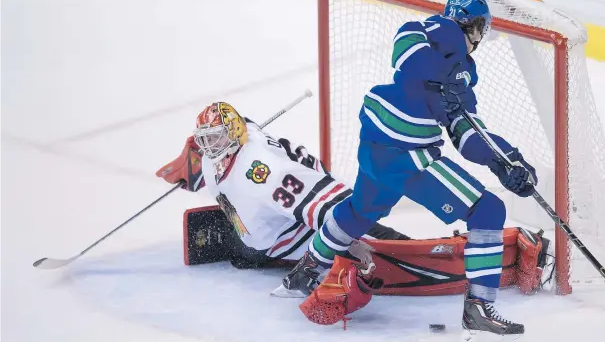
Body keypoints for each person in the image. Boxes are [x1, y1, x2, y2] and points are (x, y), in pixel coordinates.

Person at [282, 0, 539, 337]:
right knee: (488, 209)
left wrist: (506, 162)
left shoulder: (463, 73)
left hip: (378, 147)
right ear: (475, 26)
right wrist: (445, 73)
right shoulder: (434, 31)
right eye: (480, 29)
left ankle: (309, 267)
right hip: (406, 154)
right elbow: (407, 54)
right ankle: (478, 307)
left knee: (360, 211)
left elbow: (466, 132)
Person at [156, 101, 553, 323]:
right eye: (204, 141)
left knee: (386, 250)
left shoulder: (260, 173)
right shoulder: (225, 147)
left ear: (236, 136)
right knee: (253, 247)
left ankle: (474, 258)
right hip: (268, 232)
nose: (208, 149)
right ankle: (249, 249)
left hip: (298, 234)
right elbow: (229, 132)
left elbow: (325, 208)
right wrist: (183, 164)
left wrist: (360, 244)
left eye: (215, 140)